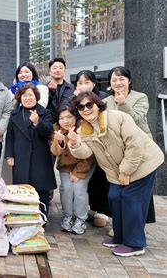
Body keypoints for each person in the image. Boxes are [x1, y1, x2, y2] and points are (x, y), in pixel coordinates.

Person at [68, 92, 164, 257]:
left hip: (143, 164)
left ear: (98, 104)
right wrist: (75, 143)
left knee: (131, 200)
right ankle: (120, 237)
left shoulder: (118, 118)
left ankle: (135, 244)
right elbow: (86, 153)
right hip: (117, 171)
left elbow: (135, 145)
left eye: (89, 105)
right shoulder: (84, 128)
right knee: (114, 197)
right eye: (81, 107)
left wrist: (126, 171)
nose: (86, 109)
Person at [103, 66, 156, 224]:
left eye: (121, 79)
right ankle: (119, 225)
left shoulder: (140, 97)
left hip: (139, 149)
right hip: (118, 152)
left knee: (136, 191)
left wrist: (124, 104)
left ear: (129, 80)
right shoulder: (106, 101)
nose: (118, 82)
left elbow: (139, 120)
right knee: (118, 192)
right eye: (114, 79)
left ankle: (135, 226)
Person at [5, 83, 55, 217]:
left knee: (41, 191)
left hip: (40, 158)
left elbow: (49, 132)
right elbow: (10, 135)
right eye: (24, 95)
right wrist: (9, 155)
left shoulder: (45, 112)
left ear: (36, 97)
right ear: (19, 98)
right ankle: (23, 218)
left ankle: (42, 219)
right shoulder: (15, 114)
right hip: (20, 157)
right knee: (22, 190)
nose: (27, 98)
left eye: (30, 95)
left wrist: (37, 122)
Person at [73, 70, 110, 228]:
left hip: (103, 145)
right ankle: (92, 209)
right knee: (91, 180)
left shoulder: (102, 98)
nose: (84, 86)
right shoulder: (74, 99)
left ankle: (102, 212)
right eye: (80, 83)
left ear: (94, 83)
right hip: (85, 144)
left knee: (102, 178)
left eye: (87, 82)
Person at [51, 105, 96, 234]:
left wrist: (78, 172)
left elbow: (90, 155)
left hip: (84, 164)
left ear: (76, 117)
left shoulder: (85, 128)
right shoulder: (56, 129)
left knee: (79, 188)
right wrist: (58, 141)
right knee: (66, 188)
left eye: (69, 117)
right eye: (61, 118)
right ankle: (68, 216)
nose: (65, 121)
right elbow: (54, 152)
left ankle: (81, 219)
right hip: (66, 165)